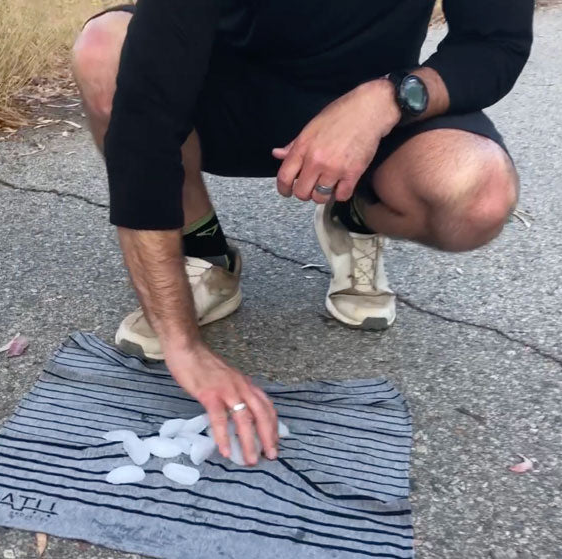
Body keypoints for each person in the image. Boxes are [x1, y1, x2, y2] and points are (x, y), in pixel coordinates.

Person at [71, 0, 533, 466]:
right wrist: (182, 345)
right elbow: (145, 116)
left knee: (480, 199)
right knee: (104, 51)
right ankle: (205, 250)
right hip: (223, 89)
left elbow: (495, 43)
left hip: (373, 103)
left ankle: (354, 217)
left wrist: (390, 98)